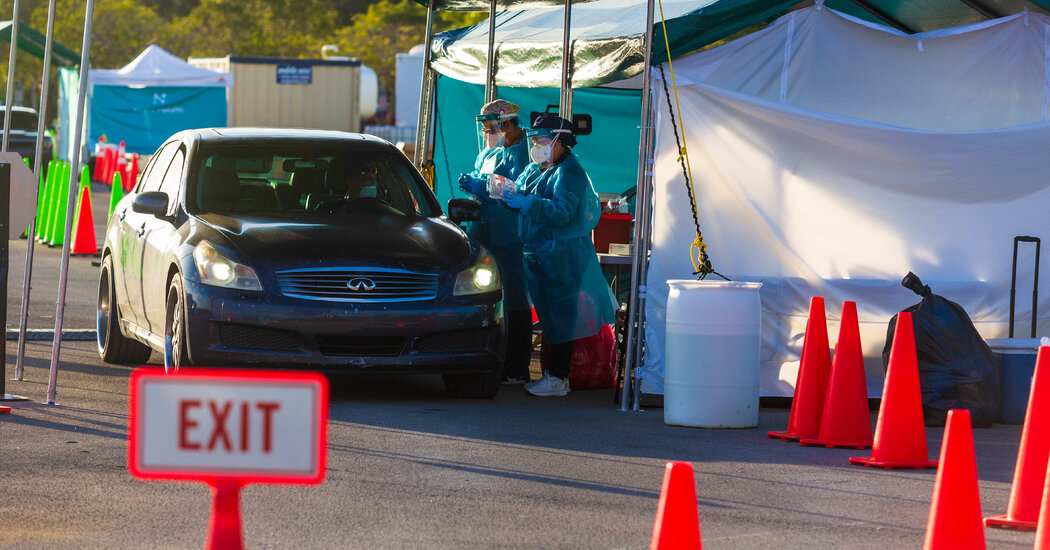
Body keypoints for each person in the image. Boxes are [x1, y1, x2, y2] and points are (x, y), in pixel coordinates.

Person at [498, 114, 617, 397]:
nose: (535, 145)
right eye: (534, 140)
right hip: (542, 254)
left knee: (563, 318)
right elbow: (526, 195)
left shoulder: (570, 173)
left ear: (560, 141)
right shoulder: (539, 168)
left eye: (541, 140)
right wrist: (504, 192)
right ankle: (554, 374)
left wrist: (527, 202)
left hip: (563, 256)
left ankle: (558, 377)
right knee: (551, 317)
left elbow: (562, 212)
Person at [457, 99, 534, 385]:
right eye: (486, 125)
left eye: (492, 125)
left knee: (514, 297)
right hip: (485, 232)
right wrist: (474, 182)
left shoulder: (524, 153)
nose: (488, 131)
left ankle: (516, 367)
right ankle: (488, 358)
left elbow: (516, 188)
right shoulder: (490, 152)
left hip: (509, 236)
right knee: (485, 296)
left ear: (508, 123)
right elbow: (485, 177)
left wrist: (483, 186)